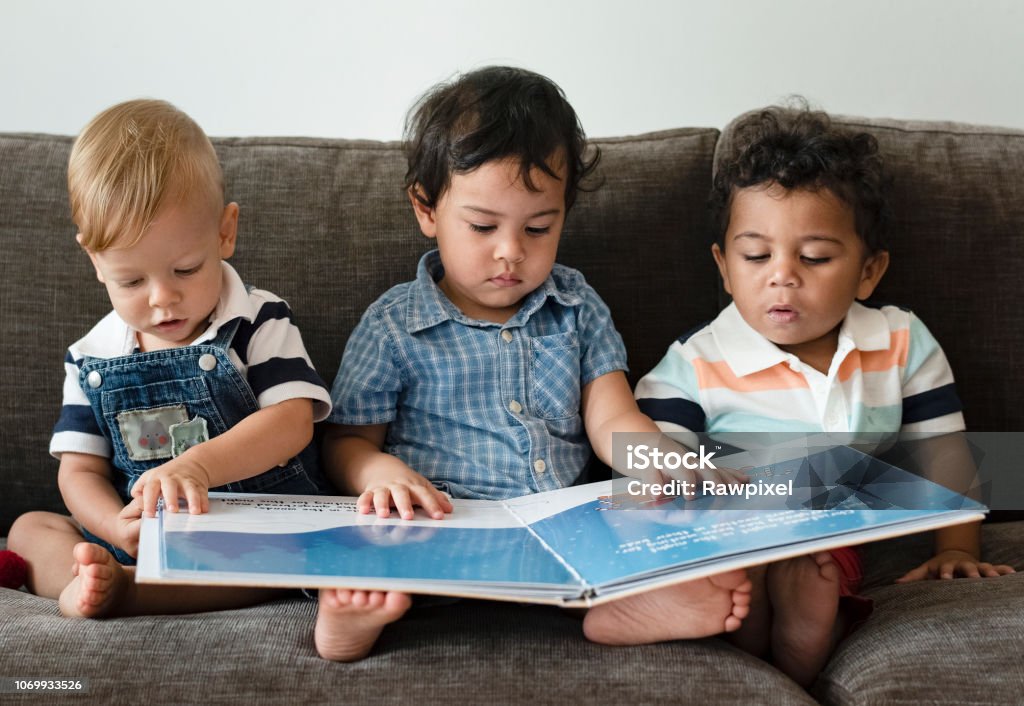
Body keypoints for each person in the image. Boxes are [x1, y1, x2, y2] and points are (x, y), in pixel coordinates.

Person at [313, 66, 752, 662]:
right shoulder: (394, 325)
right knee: (367, 542)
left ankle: (622, 603)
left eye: (539, 228)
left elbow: (612, 418)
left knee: (655, 516)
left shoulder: (576, 307)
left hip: (566, 533)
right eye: (482, 226)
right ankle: (354, 621)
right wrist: (377, 473)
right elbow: (343, 442)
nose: (511, 252)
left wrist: (660, 463)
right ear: (426, 208)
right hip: (443, 530)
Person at [634, 104, 1015, 686]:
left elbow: (945, 453)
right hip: (732, 524)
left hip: (831, 532)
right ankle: (754, 616)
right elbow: (650, 467)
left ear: (868, 272)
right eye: (756, 256)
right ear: (725, 267)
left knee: (817, 568)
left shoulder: (899, 340)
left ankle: (801, 634)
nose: (782, 275)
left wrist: (957, 547)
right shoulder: (696, 362)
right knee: (739, 565)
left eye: (814, 257)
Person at [7, 99, 333, 618]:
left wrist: (198, 467)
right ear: (95, 261)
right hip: (136, 535)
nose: (162, 298)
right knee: (29, 528)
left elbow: (292, 422)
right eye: (131, 281)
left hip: (247, 529)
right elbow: (79, 472)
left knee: (287, 556)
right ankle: (87, 581)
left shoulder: (256, 320)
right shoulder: (90, 357)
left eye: (185, 269)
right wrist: (115, 526)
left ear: (225, 233)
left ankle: (133, 592)